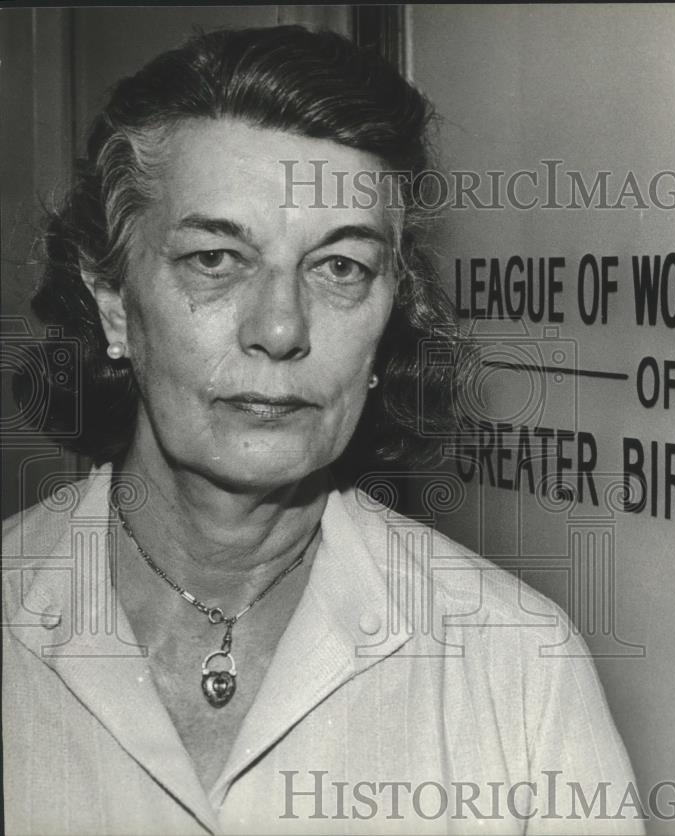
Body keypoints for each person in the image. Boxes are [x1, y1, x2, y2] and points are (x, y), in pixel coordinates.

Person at [1, 26, 642, 835]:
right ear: (113, 302)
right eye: (215, 259)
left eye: (340, 267)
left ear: (390, 315)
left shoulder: (514, 662)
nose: (279, 328)